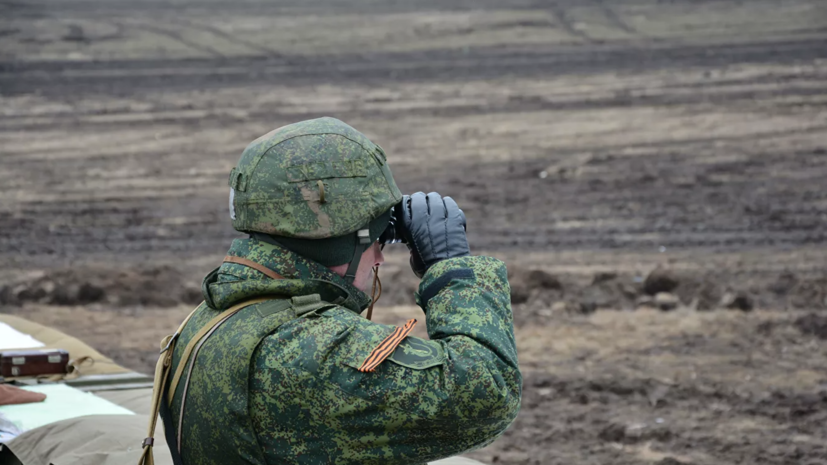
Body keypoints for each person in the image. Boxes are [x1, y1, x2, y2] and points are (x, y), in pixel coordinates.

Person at [140, 117, 522, 465]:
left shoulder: (215, 317)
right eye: (374, 240)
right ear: (337, 243)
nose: (379, 258)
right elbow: (488, 392)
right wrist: (449, 269)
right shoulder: (309, 351)